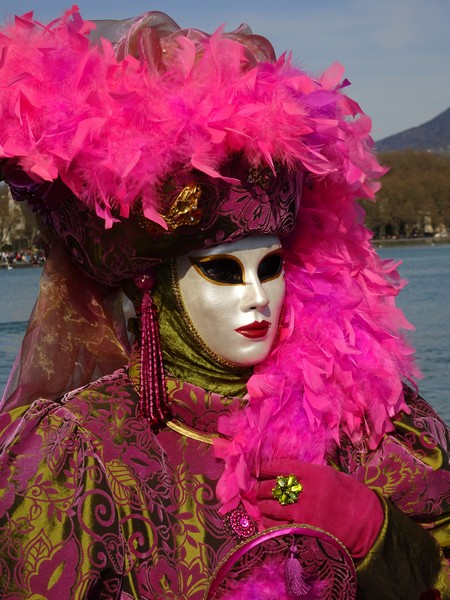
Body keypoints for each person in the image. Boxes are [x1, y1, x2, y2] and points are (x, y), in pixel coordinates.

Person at [0, 8, 449, 599]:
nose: (258, 296)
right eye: (221, 271)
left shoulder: (362, 417)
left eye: (271, 267)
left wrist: (378, 535)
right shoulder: (78, 454)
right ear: (153, 285)